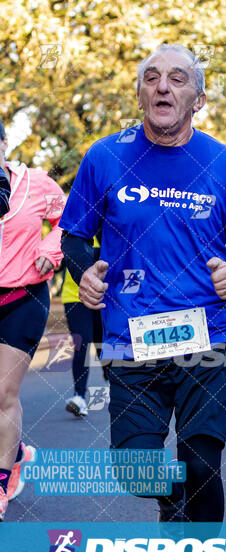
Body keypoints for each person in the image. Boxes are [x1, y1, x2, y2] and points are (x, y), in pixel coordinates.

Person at [60, 43, 226, 552]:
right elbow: (74, 236)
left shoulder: (224, 163)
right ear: (139, 93)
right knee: (136, 470)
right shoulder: (105, 157)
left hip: (207, 336)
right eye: (152, 77)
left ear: (197, 98)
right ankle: (169, 501)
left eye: (177, 79)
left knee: (202, 459)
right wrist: (85, 273)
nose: (163, 87)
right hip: (131, 338)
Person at [0, 120, 65, 520]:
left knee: (3, 395)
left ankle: (2, 478)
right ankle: (18, 450)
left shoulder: (36, 184)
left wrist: (53, 246)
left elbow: (71, 218)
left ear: (4, 144)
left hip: (22, 297)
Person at [61, 235, 108, 417]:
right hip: (74, 297)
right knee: (82, 343)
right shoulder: (75, 235)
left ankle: (111, 380)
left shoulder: (107, 231)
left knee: (102, 342)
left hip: (103, 296)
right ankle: (79, 397)